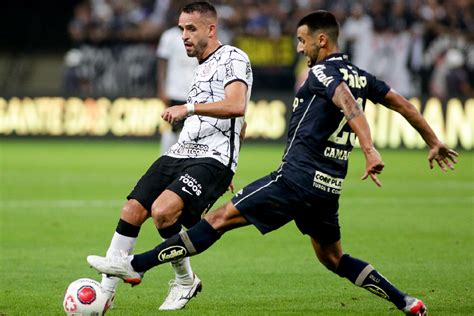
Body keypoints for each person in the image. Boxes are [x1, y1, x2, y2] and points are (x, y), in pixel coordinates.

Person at [88, 10, 458, 315]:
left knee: (216, 220)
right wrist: (433, 140)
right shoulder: (361, 75)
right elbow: (404, 104)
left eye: (302, 40)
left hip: (293, 180)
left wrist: (370, 147)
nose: (300, 48)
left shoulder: (323, 72)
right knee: (334, 259)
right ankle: (405, 301)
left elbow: (347, 103)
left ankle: (134, 265)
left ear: (322, 41)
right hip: (327, 189)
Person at [92, 1, 253, 311]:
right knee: (132, 210)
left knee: (164, 212)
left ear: (211, 28)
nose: (184, 36)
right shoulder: (202, 66)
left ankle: (182, 281)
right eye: (181, 29)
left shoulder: (233, 57)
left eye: (191, 28)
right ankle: (104, 294)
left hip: (212, 157)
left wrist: (188, 109)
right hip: (181, 151)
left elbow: (237, 107)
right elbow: (241, 126)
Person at [156, 23, 198, 155]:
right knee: (173, 127)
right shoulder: (169, 36)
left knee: (194, 129)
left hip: (195, 91)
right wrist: (162, 88)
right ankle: (165, 157)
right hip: (175, 90)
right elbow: (162, 64)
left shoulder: (199, 34)